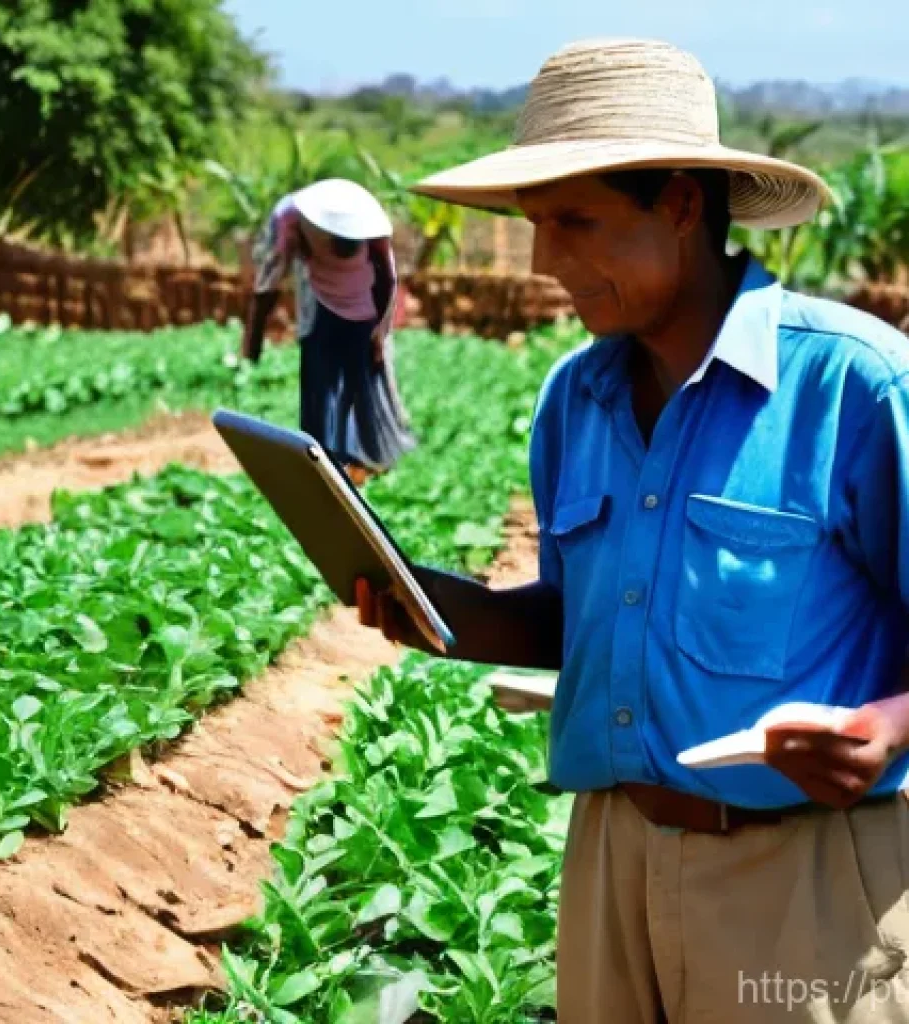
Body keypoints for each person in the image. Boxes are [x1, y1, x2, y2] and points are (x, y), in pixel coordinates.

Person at [355, 37, 909, 1024]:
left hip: (806, 880)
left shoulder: (854, 387)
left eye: (575, 222)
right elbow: (583, 618)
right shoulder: (578, 397)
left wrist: (889, 728)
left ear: (682, 206)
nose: (543, 260)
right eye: (535, 224)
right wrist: (440, 612)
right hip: (610, 859)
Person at [242, 178, 415, 485]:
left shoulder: (373, 233)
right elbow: (272, 274)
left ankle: (365, 462)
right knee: (320, 391)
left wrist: (381, 332)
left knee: (363, 390)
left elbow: (388, 281)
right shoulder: (291, 218)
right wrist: (253, 341)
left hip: (364, 313)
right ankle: (322, 465)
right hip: (322, 306)